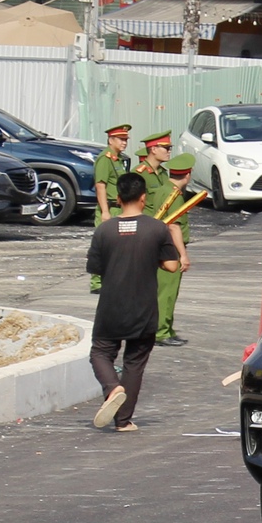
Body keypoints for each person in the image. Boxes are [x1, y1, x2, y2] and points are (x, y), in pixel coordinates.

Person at [86, 171, 184, 432]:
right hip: (143, 308)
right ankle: (123, 420)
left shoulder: (104, 230)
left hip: (110, 306)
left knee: (100, 352)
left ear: (118, 198)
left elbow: (95, 268)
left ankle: (111, 387)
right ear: (143, 198)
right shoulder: (156, 228)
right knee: (134, 363)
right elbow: (172, 267)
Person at [138, 134, 197, 345]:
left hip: (159, 241)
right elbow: (173, 226)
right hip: (168, 245)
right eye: (165, 147)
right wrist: (183, 255)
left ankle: (166, 328)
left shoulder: (163, 185)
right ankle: (161, 332)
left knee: (165, 290)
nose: (168, 150)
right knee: (167, 290)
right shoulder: (173, 193)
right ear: (187, 175)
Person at [93, 123, 133, 218]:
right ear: (111, 140)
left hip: (120, 208)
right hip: (111, 209)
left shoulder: (118, 159)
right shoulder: (105, 159)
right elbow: (100, 186)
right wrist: (105, 211)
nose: (124, 143)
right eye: (121, 139)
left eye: (126, 140)